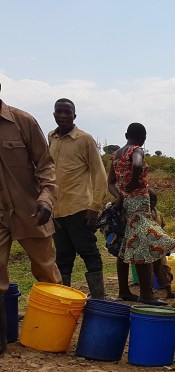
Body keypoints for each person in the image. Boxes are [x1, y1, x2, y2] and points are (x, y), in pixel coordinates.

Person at [0, 85, 62, 354]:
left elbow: (46, 165)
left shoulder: (22, 121)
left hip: (31, 211)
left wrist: (46, 198)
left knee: (46, 271)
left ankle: (54, 333)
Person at [108, 122, 175, 304]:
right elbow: (138, 165)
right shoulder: (136, 150)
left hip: (126, 204)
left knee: (125, 245)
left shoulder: (115, 155)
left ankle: (124, 291)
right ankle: (146, 294)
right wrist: (134, 183)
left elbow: (110, 183)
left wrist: (121, 195)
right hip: (138, 203)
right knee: (143, 244)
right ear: (144, 139)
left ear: (126, 135)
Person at [48, 98, 108, 298]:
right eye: (59, 112)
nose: (63, 116)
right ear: (54, 114)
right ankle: (65, 297)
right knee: (63, 257)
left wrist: (95, 206)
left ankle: (98, 298)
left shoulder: (85, 139)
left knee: (88, 252)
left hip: (80, 208)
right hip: (57, 210)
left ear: (75, 115)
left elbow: (99, 174)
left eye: (67, 112)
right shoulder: (51, 137)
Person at [149, 189, 175, 299]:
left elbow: (162, 229)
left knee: (164, 269)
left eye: (154, 201)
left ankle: (169, 291)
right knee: (149, 271)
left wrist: (166, 245)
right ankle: (150, 293)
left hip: (159, 247)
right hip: (147, 248)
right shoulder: (143, 215)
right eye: (150, 201)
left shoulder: (158, 214)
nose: (152, 203)